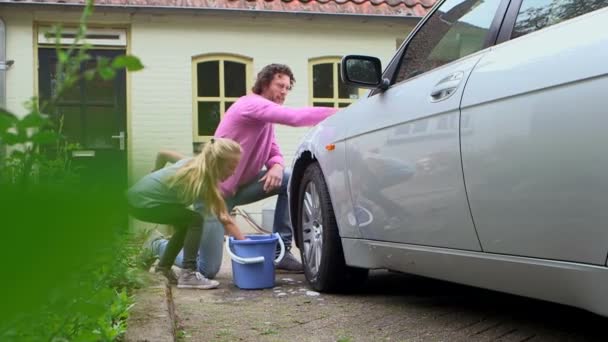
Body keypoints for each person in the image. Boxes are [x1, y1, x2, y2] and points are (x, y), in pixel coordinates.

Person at [151, 63, 339, 278]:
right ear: (265, 83)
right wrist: (342, 113)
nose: (284, 91)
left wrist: (277, 166)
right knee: (207, 269)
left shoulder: (265, 118)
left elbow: (272, 150)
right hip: (214, 196)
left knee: (287, 178)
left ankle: (281, 251)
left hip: (240, 188)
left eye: (288, 88)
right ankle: (158, 246)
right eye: (280, 85)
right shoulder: (251, 104)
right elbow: (295, 118)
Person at [127, 138, 245, 289]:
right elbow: (224, 218)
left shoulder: (193, 163)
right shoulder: (200, 179)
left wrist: (156, 171)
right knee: (194, 220)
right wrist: (246, 244)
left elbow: (162, 154)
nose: (233, 172)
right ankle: (188, 273)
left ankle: (163, 269)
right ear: (217, 163)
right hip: (142, 203)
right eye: (230, 167)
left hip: (137, 201)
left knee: (186, 223)